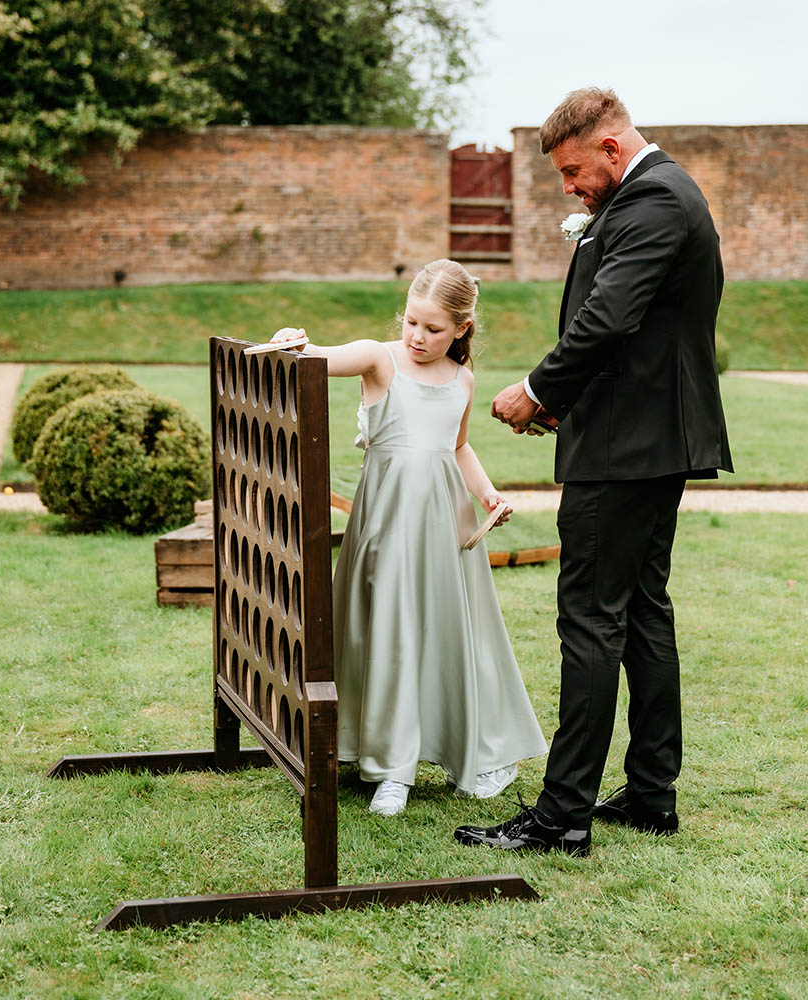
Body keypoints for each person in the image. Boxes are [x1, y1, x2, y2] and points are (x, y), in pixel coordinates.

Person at [454, 87, 732, 856]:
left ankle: (561, 816)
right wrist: (563, 401)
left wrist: (538, 389)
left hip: (625, 449)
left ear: (612, 148)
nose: (569, 189)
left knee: (590, 619)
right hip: (635, 437)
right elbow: (628, 330)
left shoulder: (655, 201)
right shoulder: (650, 195)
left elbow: (608, 316)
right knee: (642, 610)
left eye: (575, 171)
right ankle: (649, 794)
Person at [268, 259, 547, 816]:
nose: (418, 337)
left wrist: (487, 495)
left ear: (462, 329)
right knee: (386, 631)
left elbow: (458, 446)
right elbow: (317, 358)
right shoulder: (381, 359)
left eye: (434, 329)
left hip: (444, 527)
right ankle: (389, 766)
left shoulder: (463, 380)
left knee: (442, 634)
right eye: (412, 323)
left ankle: (448, 747)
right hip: (388, 525)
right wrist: (293, 343)